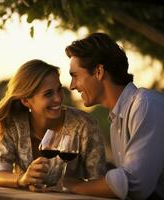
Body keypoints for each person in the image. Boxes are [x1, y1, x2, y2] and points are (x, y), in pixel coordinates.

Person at [64, 33, 164, 199]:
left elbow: (134, 185)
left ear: (98, 71)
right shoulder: (117, 120)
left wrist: (72, 184)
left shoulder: (146, 105)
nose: (72, 86)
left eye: (75, 75)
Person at [0, 59, 106, 192]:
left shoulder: (84, 125)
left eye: (59, 89)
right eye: (48, 94)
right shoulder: (13, 124)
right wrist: (22, 179)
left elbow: (98, 180)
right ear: (26, 101)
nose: (58, 98)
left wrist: (71, 187)